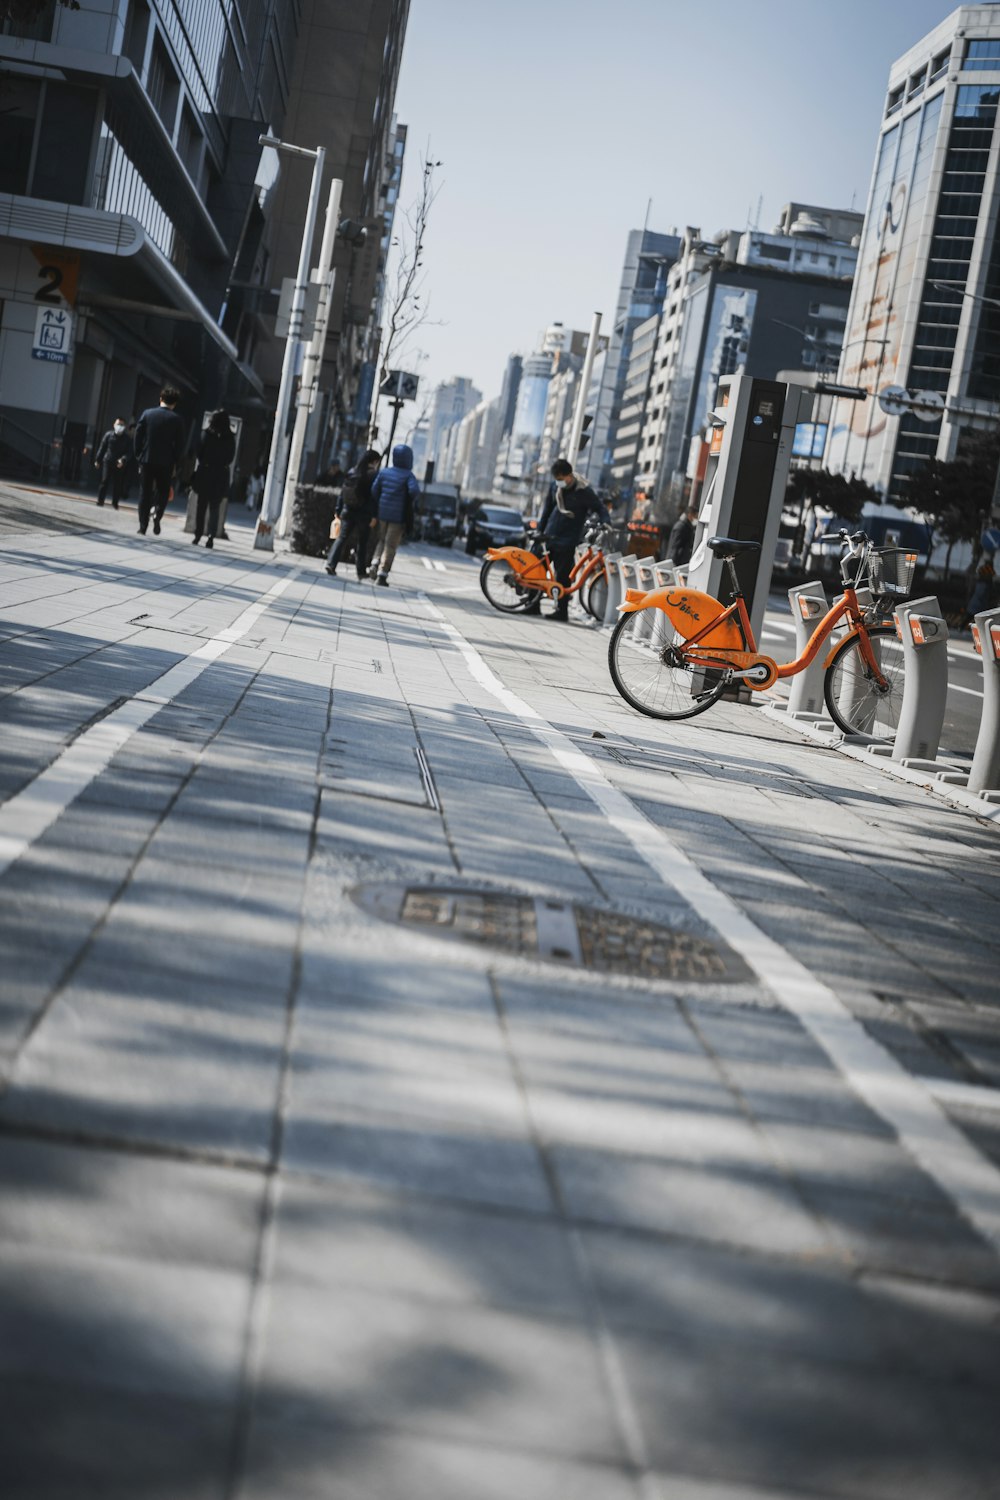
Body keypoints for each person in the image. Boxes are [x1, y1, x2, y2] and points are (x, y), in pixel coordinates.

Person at [529, 458, 609, 621]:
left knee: (562, 576)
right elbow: (546, 512)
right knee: (536, 570)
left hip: (567, 539)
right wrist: (539, 532)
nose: (558, 482)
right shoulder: (554, 487)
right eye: (556, 479)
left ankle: (561, 611)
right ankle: (532, 604)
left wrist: (606, 522)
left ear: (569, 475)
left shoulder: (584, 491)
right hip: (549, 535)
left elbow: (599, 507)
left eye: (561, 479)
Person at [134, 386, 185, 536]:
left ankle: (143, 526)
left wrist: (139, 455)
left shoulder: (147, 414)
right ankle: (157, 513)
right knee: (163, 491)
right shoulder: (177, 420)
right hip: (166, 462)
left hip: (147, 459)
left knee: (145, 492)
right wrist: (176, 461)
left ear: (160, 399)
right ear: (174, 403)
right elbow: (180, 444)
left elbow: (138, 435)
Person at [368, 444, 420, 586]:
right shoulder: (408, 476)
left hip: (382, 513)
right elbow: (414, 491)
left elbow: (374, 490)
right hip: (398, 517)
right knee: (390, 545)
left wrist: (382, 501)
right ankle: (382, 574)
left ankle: (374, 562)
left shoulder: (384, 473)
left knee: (381, 540)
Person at [326, 449, 381, 580]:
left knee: (342, 538)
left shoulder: (352, 471)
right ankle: (361, 572)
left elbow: (343, 492)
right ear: (374, 461)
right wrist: (374, 515)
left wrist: (338, 509)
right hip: (364, 514)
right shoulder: (373, 475)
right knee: (362, 543)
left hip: (348, 510)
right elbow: (374, 497)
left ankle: (331, 564)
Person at [190, 410, 236, 549]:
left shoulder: (206, 434)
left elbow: (199, 452)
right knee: (215, 507)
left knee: (201, 505)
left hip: (205, 471)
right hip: (220, 474)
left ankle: (198, 534)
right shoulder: (230, 438)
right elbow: (230, 457)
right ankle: (211, 536)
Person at [93, 417, 130, 508]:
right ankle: (100, 500)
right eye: (118, 424)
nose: (119, 426)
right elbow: (102, 448)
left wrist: (123, 460)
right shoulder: (108, 435)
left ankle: (115, 503)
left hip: (119, 464)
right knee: (104, 481)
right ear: (114, 425)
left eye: (121, 425)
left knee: (118, 484)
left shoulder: (127, 438)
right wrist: (98, 460)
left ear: (124, 427)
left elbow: (129, 452)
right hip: (108, 461)